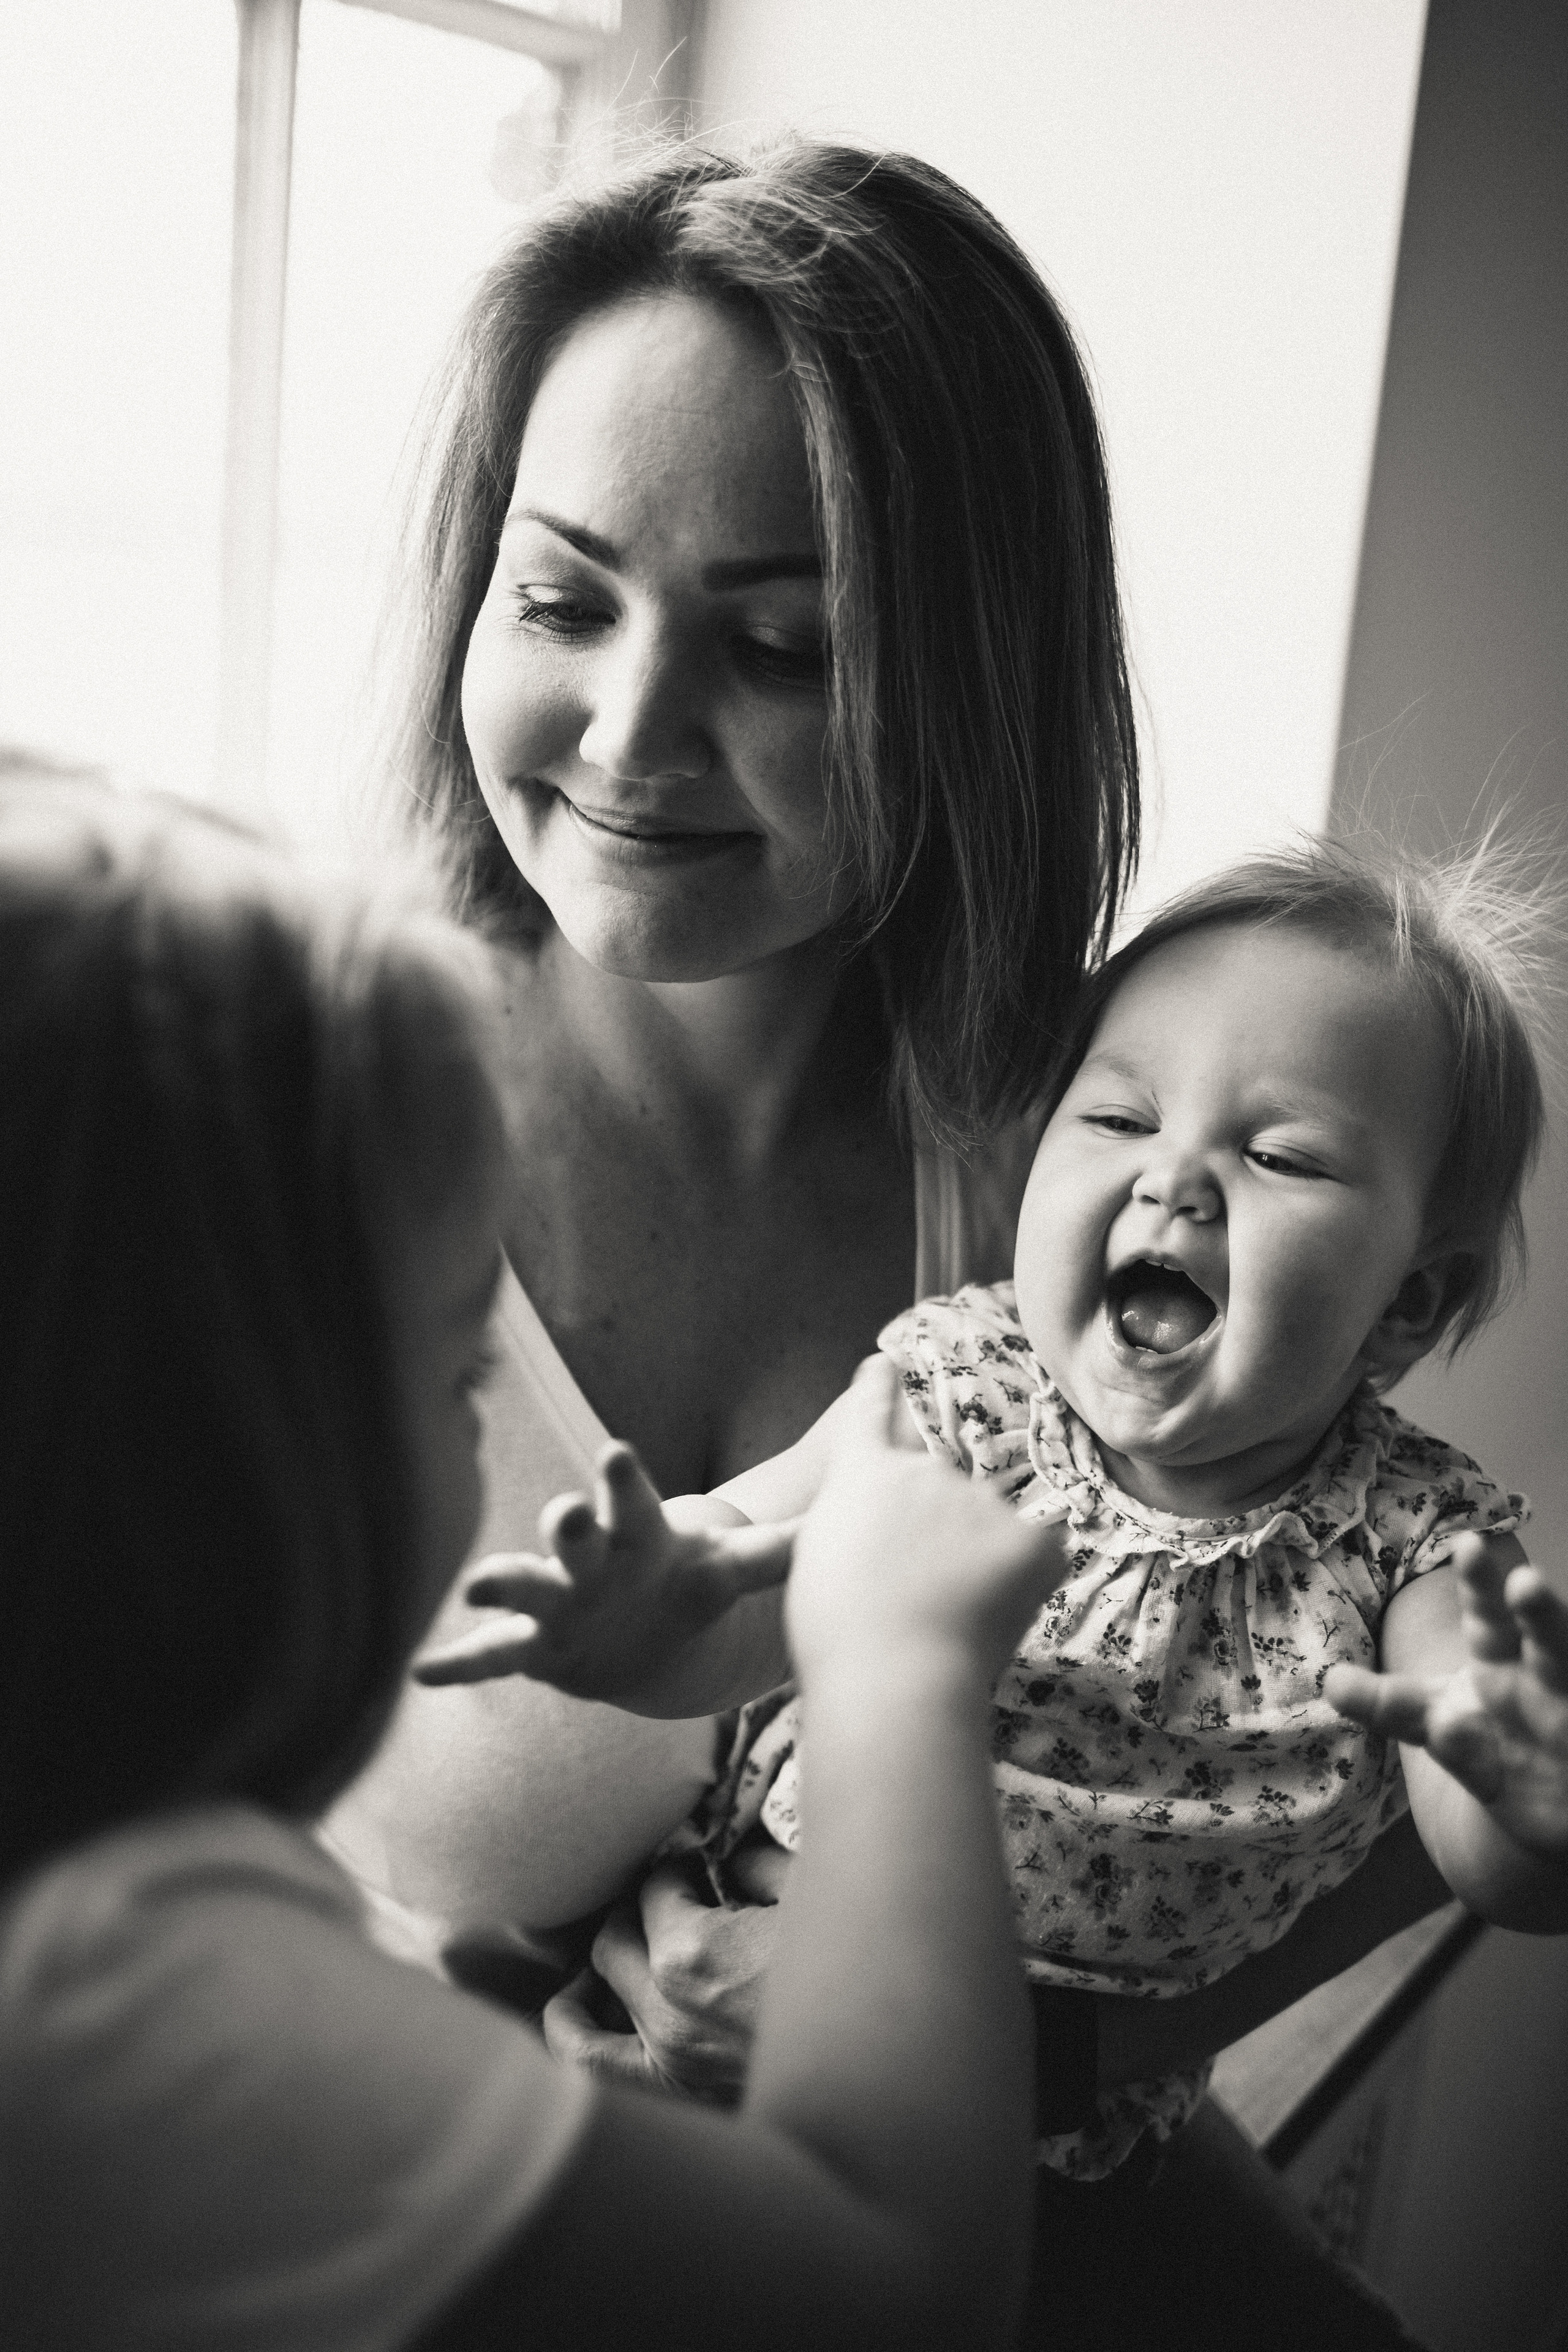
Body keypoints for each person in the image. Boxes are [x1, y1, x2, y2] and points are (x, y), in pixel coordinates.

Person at [321, 135, 1461, 2338]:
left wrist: (1069, 2053)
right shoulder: (267, 1119)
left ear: (969, 682)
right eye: (560, 599)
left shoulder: (1092, 1159)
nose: (633, 735)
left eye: (781, 645)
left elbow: (1417, 1725)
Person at [0, 775, 1079, 2351]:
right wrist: (896, 1675)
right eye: (461, 1378)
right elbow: (895, 2291)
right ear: (220, 1459)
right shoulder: (132, 1993)